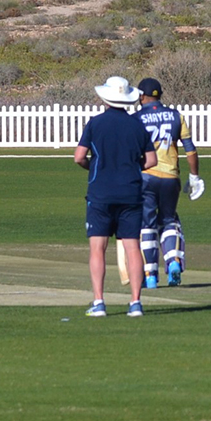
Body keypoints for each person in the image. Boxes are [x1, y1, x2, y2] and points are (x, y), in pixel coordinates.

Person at [74, 77, 158, 317]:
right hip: (130, 191)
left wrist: (94, 167)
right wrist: (132, 167)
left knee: (97, 248)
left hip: (100, 192)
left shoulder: (95, 123)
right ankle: (135, 302)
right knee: (132, 247)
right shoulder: (137, 125)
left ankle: (99, 301)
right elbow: (151, 160)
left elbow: (79, 157)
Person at [135, 77, 204, 288]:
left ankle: (150, 275)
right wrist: (194, 176)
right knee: (169, 220)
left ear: (141, 96)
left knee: (146, 225)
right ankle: (173, 261)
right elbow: (190, 149)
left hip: (146, 175)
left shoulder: (136, 119)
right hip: (171, 177)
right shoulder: (176, 116)